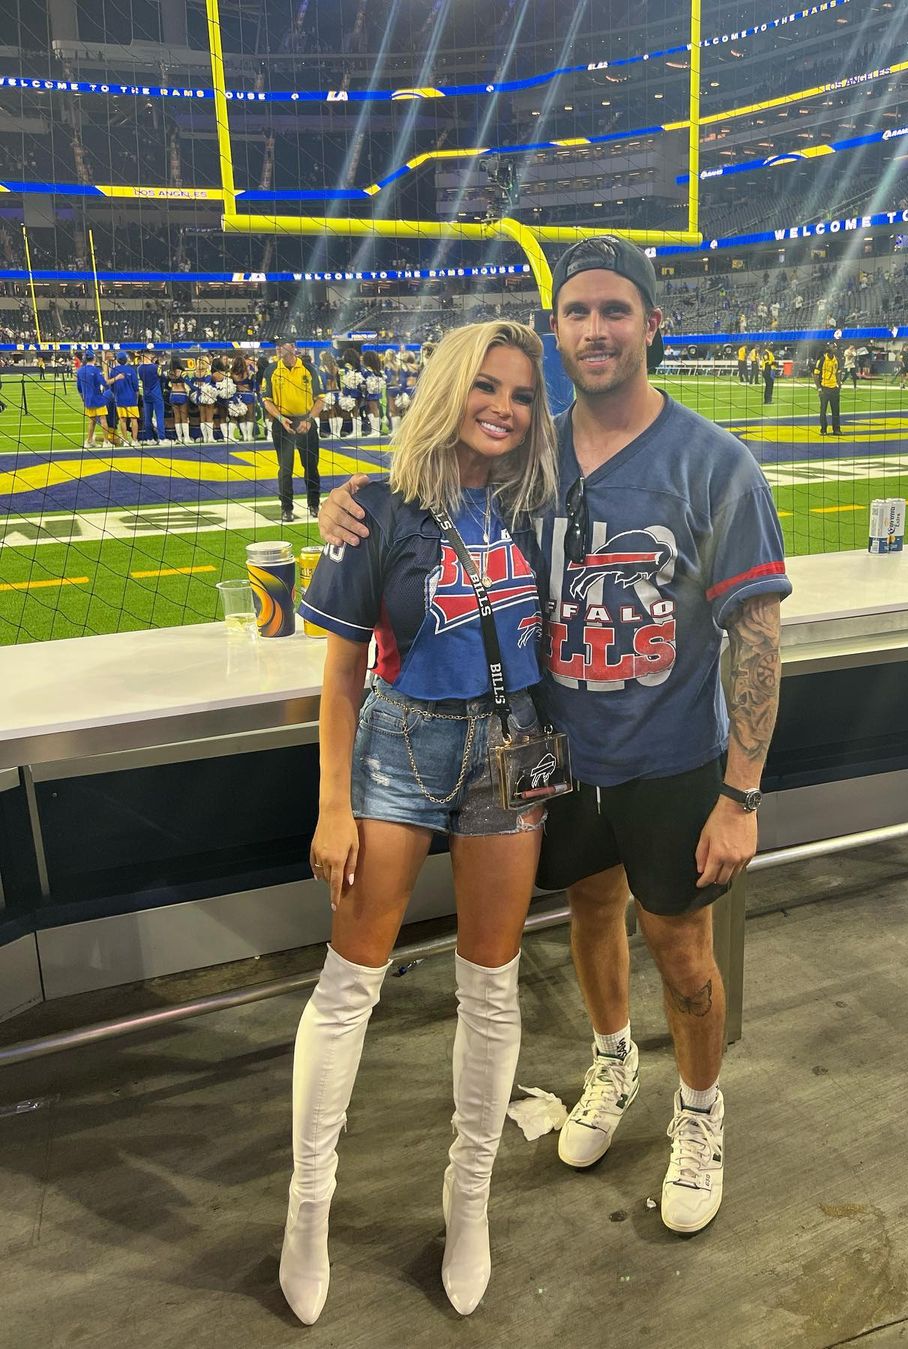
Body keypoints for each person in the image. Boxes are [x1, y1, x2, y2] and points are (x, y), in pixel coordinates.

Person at [318, 236, 790, 1238]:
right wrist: (347, 502)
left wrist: (741, 794)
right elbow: (432, 490)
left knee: (683, 947)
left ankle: (701, 1112)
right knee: (588, 910)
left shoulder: (717, 464)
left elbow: (758, 637)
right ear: (558, 327)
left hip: (671, 757)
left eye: (615, 309)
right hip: (555, 750)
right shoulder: (531, 455)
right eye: (577, 311)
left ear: (652, 323)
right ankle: (612, 1064)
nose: (595, 329)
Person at [279, 321, 557, 1324]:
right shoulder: (377, 506)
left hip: (513, 746)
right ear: (449, 388)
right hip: (400, 743)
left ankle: (468, 1197)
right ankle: (309, 1205)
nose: (503, 407)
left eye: (521, 393)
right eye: (486, 386)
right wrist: (332, 804)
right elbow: (341, 673)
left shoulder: (541, 500)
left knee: (491, 983)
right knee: (349, 984)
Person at [261, 339, 326, 523]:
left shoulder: (309, 369)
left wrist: (309, 419)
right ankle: (286, 508)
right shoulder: (271, 370)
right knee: (285, 468)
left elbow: (320, 399)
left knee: (311, 466)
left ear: (293, 348)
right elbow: (266, 400)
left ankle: (314, 504)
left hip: (306, 422)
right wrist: (280, 419)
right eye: (277, 346)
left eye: (283, 345)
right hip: (283, 423)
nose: (278, 349)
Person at [75, 351, 109, 448]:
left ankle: (89, 441)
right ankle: (106, 442)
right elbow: (104, 383)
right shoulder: (95, 370)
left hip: (88, 399)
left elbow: (79, 388)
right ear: (94, 358)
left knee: (92, 421)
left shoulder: (80, 371)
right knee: (103, 419)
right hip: (98, 398)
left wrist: (83, 398)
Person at [108, 352, 141, 447]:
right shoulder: (131, 370)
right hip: (131, 398)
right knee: (134, 419)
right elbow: (136, 387)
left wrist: (116, 395)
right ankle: (134, 440)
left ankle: (126, 441)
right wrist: (136, 398)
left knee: (122, 420)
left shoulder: (113, 371)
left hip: (120, 398)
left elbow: (111, 387)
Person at [138, 351, 166, 444]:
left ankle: (149, 438)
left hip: (146, 393)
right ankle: (161, 438)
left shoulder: (139, 368)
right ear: (149, 356)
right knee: (159, 416)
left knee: (147, 417)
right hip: (156, 393)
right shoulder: (156, 367)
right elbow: (163, 378)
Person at [813, 341, 841, 434]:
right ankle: (823, 429)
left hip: (834, 388)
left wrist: (839, 385)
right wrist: (819, 388)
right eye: (833, 347)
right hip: (824, 388)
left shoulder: (836, 360)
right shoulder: (822, 360)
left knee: (836, 410)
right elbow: (816, 375)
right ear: (829, 348)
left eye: (835, 347)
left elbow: (838, 373)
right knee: (823, 410)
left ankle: (836, 429)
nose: (835, 349)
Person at [230, 354, 257, 442]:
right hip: (248, 395)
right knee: (250, 416)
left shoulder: (232, 373)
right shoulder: (248, 372)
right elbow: (253, 384)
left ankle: (245, 436)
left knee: (241, 417)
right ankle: (249, 436)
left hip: (237, 395)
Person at [318, 350, 343, 440]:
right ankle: (338, 433)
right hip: (337, 391)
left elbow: (324, 381)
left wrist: (323, 391)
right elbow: (340, 381)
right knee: (338, 412)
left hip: (329, 392)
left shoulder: (322, 368)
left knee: (331, 412)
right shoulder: (336, 368)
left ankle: (333, 433)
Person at [167, 357, 192, 443]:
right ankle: (186, 438)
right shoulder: (183, 372)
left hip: (173, 395)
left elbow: (166, 385)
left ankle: (179, 438)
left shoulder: (169, 373)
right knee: (184, 417)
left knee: (177, 417)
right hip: (182, 395)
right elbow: (189, 383)